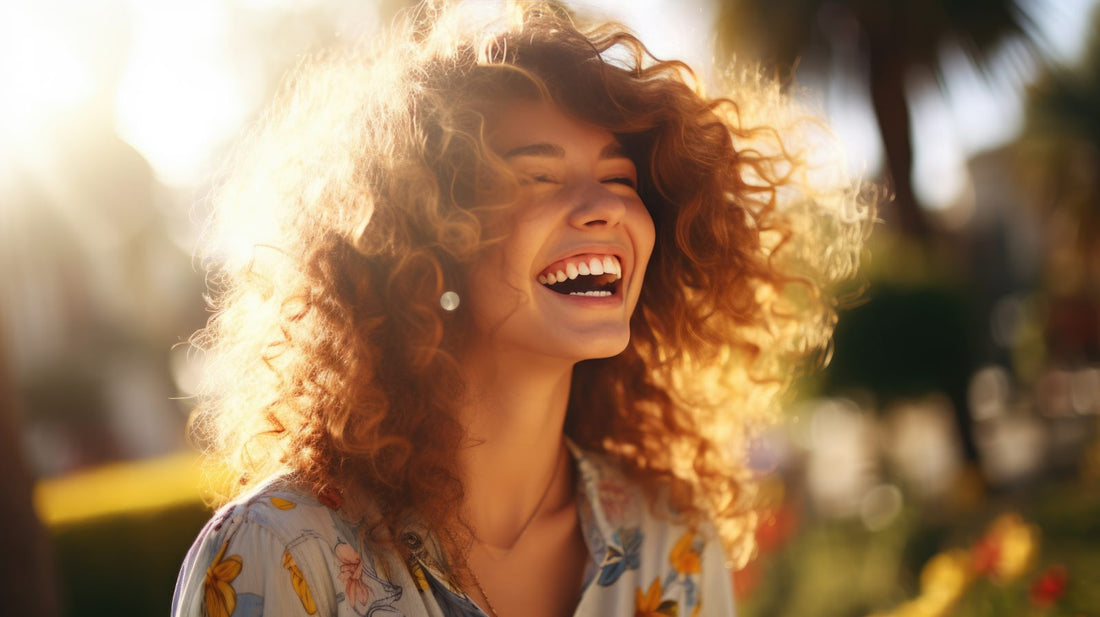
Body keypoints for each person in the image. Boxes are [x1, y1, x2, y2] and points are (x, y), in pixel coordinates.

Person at [172, 2, 870, 616]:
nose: (603, 207)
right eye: (537, 176)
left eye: (619, 178)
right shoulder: (281, 552)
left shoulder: (674, 541)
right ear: (423, 241)